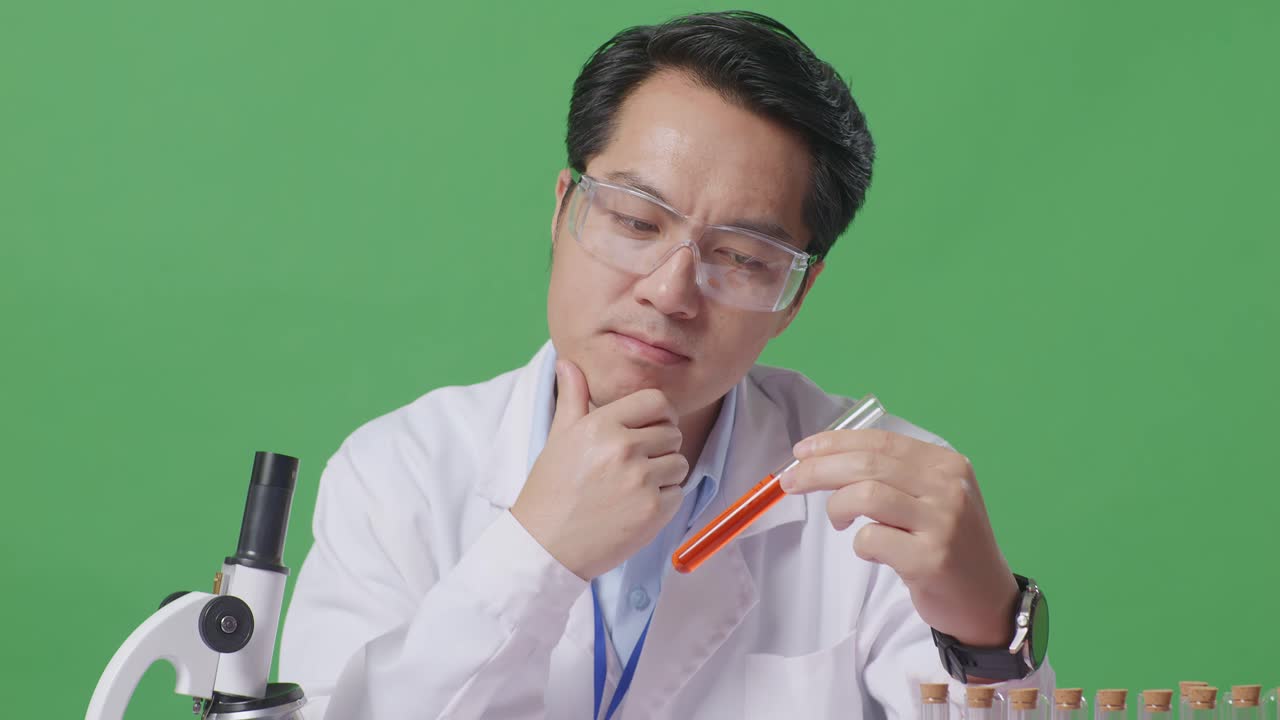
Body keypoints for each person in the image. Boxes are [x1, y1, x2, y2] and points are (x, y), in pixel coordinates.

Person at [278, 10, 1054, 719]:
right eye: (635, 220)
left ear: (795, 295)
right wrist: (536, 553)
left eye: (743, 257)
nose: (670, 290)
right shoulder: (395, 479)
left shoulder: (881, 502)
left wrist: (988, 630)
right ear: (562, 211)